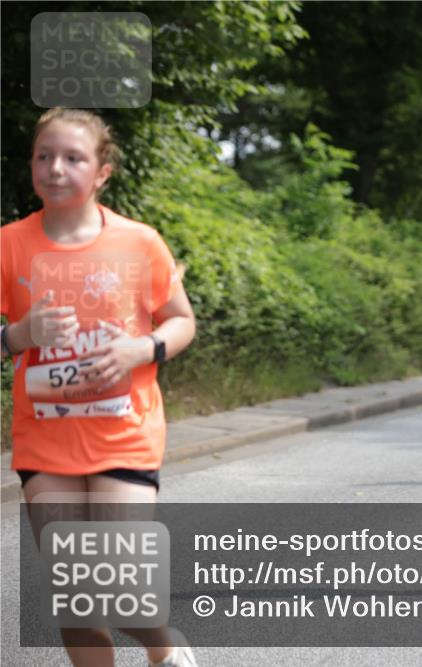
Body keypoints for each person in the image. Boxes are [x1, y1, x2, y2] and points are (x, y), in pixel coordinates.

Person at [0, 108, 198, 666]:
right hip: (45, 441)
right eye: (43, 156)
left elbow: (181, 321)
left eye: (72, 157)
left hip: (123, 433)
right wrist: (20, 333)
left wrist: (143, 348)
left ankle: (164, 648)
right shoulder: (9, 244)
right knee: (78, 601)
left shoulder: (139, 242)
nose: (55, 168)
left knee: (123, 589)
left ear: (103, 172)